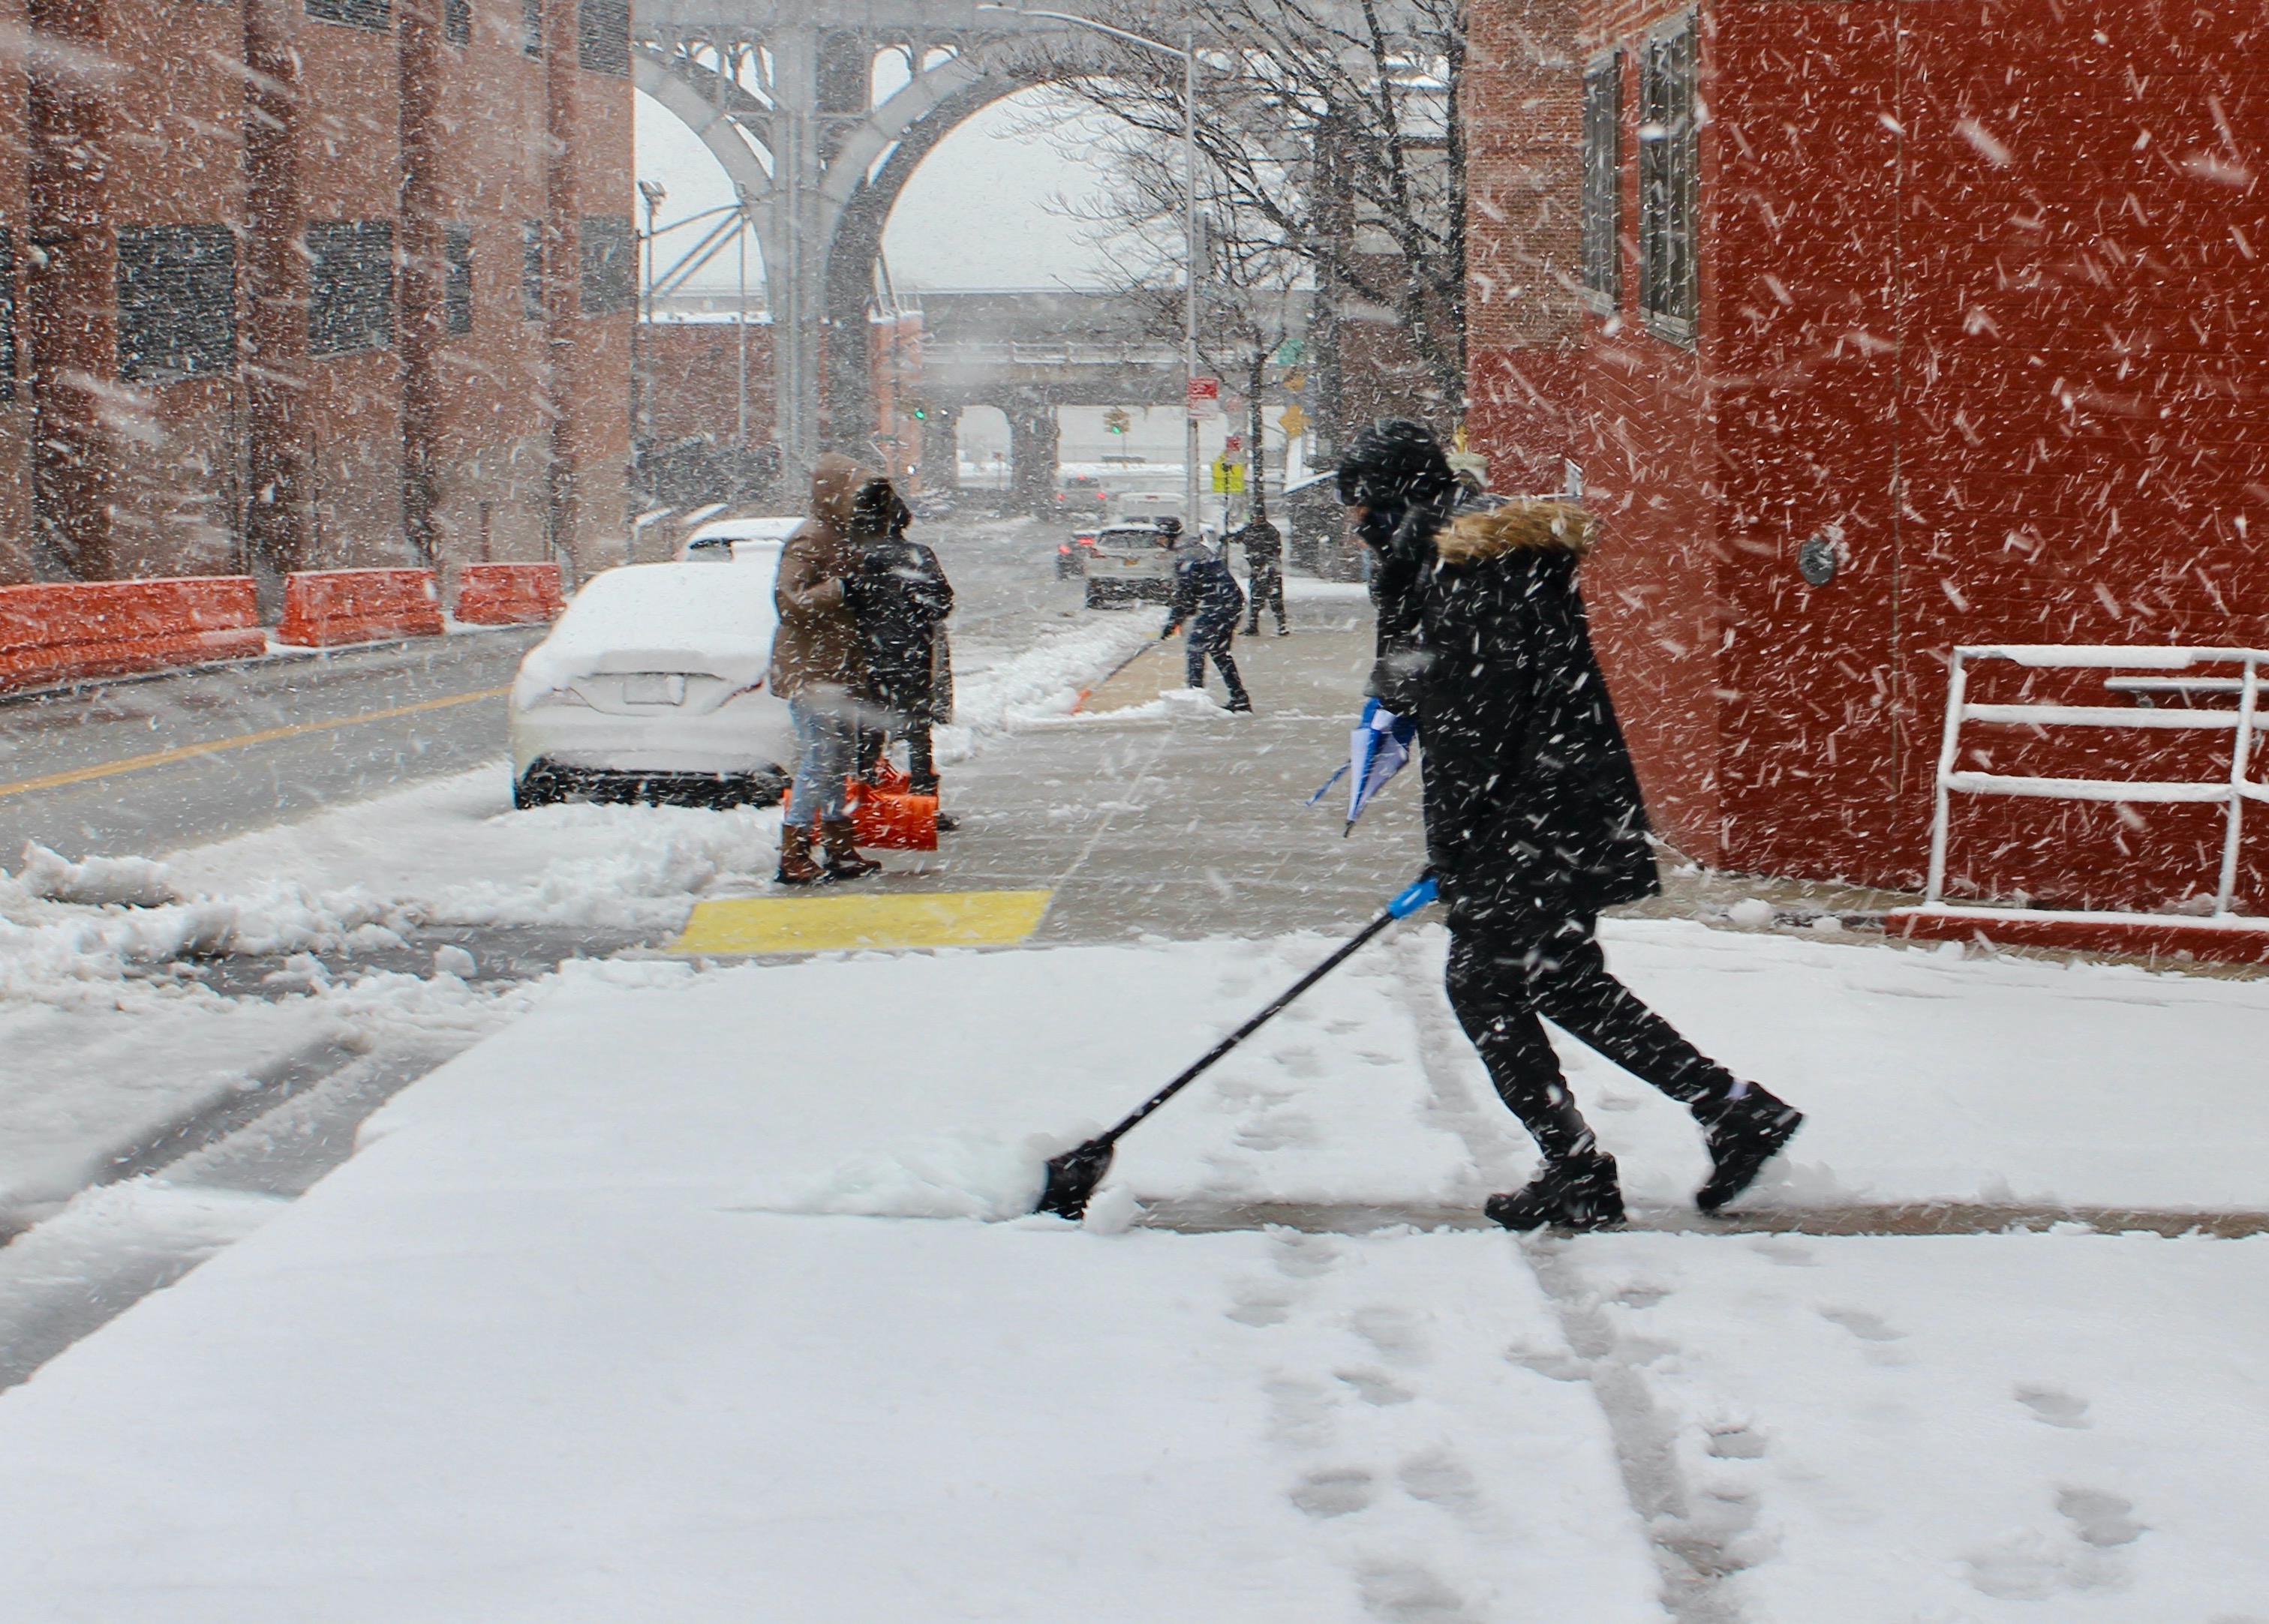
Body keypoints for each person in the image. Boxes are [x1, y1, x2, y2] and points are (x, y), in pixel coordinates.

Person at [1338, 419, 1802, 1230]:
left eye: (1364, 507)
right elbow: (1458, 701)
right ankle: (1728, 1111)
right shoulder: (1461, 564)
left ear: (1399, 498)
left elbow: (1477, 727)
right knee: (1558, 978)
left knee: (1485, 983)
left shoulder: (1463, 573)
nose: (1358, 526)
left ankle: (1582, 1165)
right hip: (1554, 811)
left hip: (1529, 817)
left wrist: (1460, 848)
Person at [768, 454, 890, 885]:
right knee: (821, 760)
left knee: (839, 761)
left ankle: (839, 846)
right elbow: (789, 601)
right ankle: (794, 851)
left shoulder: (844, 537)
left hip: (839, 670)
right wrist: (840, 589)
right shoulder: (811, 539)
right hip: (813, 672)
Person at [844, 489, 959, 830]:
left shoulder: (856, 557)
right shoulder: (918, 556)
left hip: (868, 656)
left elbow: (844, 603)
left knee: (869, 730)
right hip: (912, 655)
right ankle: (923, 806)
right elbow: (942, 602)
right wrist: (914, 613)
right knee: (918, 731)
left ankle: (864, 800)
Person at [1162, 528, 1252, 712]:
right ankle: (1239, 697)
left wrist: (1173, 622)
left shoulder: (1186, 557)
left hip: (1219, 604)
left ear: (1168, 538)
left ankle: (1194, 699)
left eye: (1160, 538)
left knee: (1196, 647)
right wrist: (1181, 615)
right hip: (1231, 601)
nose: (1159, 543)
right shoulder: (1197, 549)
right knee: (1219, 651)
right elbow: (1193, 592)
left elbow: (1185, 595)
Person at [1231, 507, 1288, 636]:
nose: (1255, 520)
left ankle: (1281, 625)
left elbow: (1276, 549)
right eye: (1254, 518)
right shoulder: (1250, 529)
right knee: (1256, 598)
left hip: (1269, 569)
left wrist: (1263, 559)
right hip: (1258, 570)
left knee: (1275, 598)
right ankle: (1253, 625)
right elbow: (1237, 537)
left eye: (1258, 518)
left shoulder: (1270, 531)